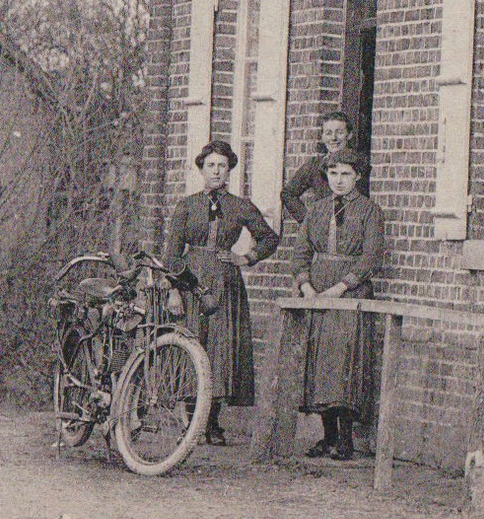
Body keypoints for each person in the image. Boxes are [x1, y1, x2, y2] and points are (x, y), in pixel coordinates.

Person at [162, 140, 280, 446]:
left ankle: (212, 423)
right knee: (192, 342)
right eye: (211, 165)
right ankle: (192, 421)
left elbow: (269, 238)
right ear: (201, 169)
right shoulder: (186, 206)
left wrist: (246, 257)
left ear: (230, 170)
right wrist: (174, 291)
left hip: (225, 285)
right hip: (191, 283)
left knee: (220, 349)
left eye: (222, 166)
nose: (217, 171)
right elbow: (172, 254)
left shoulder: (240, 206)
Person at [295, 148, 383, 460]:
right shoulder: (316, 210)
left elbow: (371, 256)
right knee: (319, 362)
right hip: (317, 291)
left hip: (349, 294)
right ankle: (327, 436)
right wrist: (306, 285)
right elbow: (301, 251)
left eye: (346, 174)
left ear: (357, 176)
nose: (339, 180)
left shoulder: (370, 211)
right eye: (333, 174)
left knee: (343, 362)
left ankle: (346, 440)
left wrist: (342, 286)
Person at [282, 111, 358, 226]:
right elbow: (288, 193)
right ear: (322, 137)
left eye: (340, 132)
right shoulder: (315, 165)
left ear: (349, 134)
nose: (333, 138)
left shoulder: (359, 164)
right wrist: (308, 221)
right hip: (322, 230)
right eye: (328, 133)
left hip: (353, 228)